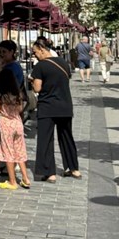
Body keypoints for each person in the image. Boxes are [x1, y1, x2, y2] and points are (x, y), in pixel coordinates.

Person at [30, 38, 79, 182]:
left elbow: (37, 88)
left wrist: (32, 81)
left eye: (35, 52)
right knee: (66, 137)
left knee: (46, 139)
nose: (34, 55)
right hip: (65, 105)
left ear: (42, 49)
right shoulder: (63, 62)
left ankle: (49, 172)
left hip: (47, 106)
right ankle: (73, 168)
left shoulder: (40, 66)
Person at [0, 71, 30, 190]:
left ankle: (12, 181)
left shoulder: (1, 95)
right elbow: (20, 109)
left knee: (8, 151)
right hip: (17, 123)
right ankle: (25, 178)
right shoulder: (18, 94)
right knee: (19, 150)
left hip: (6, 124)